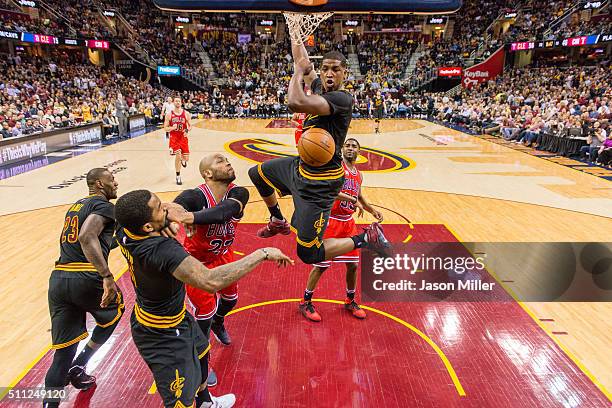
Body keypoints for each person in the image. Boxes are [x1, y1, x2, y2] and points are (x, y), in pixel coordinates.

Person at [114, 189, 293, 408]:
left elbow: (166, 210)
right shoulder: (162, 250)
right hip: (160, 334)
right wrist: (262, 253)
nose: (167, 209)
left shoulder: (123, 229)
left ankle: (206, 403)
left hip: (173, 316)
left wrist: (168, 219)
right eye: (161, 209)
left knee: (201, 355)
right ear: (148, 227)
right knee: (180, 400)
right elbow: (210, 281)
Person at [248, 38, 390, 268]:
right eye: (324, 69)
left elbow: (295, 101)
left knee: (309, 253)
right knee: (257, 173)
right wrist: (295, 34)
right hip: (301, 166)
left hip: (321, 182)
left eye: (335, 69)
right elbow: (303, 61)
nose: (329, 73)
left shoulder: (341, 99)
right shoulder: (319, 88)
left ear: (345, 72)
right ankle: (277, 219)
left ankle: (366, 238)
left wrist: (296, 72)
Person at [43, 169, 123, 408]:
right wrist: (106, 275)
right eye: (111, 179)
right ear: (99, 184)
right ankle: (80, 364)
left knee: (62, 355)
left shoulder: (77, 206)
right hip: (86, 275)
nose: (116, 182)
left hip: (59, 279)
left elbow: (101, 243)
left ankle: (51, 403)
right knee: (115, 312)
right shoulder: (104, 206)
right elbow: (87, 237)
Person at [172, 154, 249, 387]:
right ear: (207, 173)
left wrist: (190, 217)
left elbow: (224, 212)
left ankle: (220, 322)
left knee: (230, 301)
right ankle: (201, 364)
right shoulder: (196, 196)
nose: (227, 163)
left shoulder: (239, 193)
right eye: (219, 161)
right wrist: (176, 215)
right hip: (198, 263)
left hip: (224, 256)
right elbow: (177, 204)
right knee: (204, 315)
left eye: (227, 160)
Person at [300, 138, 383, 321]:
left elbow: (359, 196)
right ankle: (305, 301)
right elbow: (328, 192)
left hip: (348, 223)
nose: (350, 148)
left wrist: (372, 210)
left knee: (353, 265)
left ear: (359, 151)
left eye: (354, 146)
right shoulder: (336, 169)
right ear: (342, 149)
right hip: (331, 221)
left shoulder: (358, 175)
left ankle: (350, 300)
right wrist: (353, 201)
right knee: (321, 266)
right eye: (347, 145)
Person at [164, 96, 191, 186]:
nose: (177, 102)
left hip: (183, 138)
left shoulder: (186, 113)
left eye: (179, 101)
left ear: (181, 103)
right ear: (173, 103)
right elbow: (165, 128)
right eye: (176, 101)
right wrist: (172, 128)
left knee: (186, 158)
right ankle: (178, 176)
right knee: (178, 155)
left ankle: (184, 160)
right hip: (174, 138)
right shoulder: (169, 115)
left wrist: (187, 130)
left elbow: (190, 126)